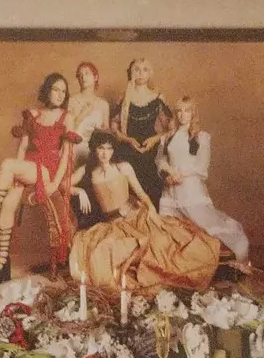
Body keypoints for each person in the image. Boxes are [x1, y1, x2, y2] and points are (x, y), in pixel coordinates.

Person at [68, 129, 221, 294]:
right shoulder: (87, 170)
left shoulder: (123, 167)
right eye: (101, 148)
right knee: (101, 255)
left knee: (161, 247)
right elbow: (63, 185)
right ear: (94, 149)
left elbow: (141, 194)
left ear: (113, 150)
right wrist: (79, 191)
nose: (105, 153)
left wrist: (153, 212)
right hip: (113, 224)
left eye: (109, 148)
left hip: (134, 216)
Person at [0, 73, 80, 284]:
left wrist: (54, 184)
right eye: (55, 89)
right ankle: (2, 264)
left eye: (63, 91)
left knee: (6, 164)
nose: (60, 94)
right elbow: (22, 148)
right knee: (8, 203)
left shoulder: (67, 117)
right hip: (27, 166)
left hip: (47, 170)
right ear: (47, 90)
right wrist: (16, 178)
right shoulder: (33, 115)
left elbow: (66, 156)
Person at [155, 96, 249, 263]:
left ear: (193, 113)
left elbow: (201, 165)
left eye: (187, 111)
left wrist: (181, 174)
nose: (182, 115)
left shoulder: (200, 136)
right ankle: (180, 266)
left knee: (205, 225)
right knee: (171, 231)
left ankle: (239, 249)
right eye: (179, 111)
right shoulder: (168, 136)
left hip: (190, 188)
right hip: (171, 190)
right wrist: (169, 173)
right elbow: (160, 160)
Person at [111, 57, 172, 210]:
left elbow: (170, 129)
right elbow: (114, 128)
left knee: (151, 188)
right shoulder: (124, 98)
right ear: (130, 73)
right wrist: (128, 140)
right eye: (136, 69)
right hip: (127, 149)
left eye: (145, 70)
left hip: (150, 150)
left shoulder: (157, 97)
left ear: (150, 73)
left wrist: (154, 139)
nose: (141, 73)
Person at [68, 62, 109, 230]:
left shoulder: (103, 104)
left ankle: (93, 227)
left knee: (95, 186)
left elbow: (106, 136)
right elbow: (69, 130)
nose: (83, 77)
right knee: (74, 185)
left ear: (95, 77)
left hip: (94, 151)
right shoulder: (72, 100)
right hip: (75, 147)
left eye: (87, 73)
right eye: (80, 74)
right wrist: (84, 112)